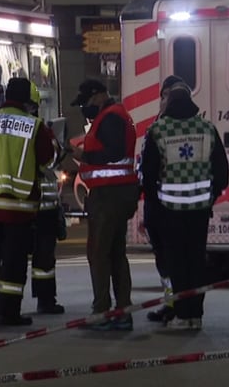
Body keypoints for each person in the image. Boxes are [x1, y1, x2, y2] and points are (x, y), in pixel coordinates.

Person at [0, 78, 56, 326]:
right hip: (20, 210)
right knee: (13, 265)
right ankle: (8, 313)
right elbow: (47, 162)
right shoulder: (34, 126)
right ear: (28, 101)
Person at [140, 83, 229, 330]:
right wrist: (211, 195)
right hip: (200, 209)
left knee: (177, 263)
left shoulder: (158, 130)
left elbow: (148, 173)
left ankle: (181, 315)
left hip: (170, 210)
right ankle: (196, 315)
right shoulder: (207, 128)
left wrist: (154, 200)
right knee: (197, 262)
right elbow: (222, 171)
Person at [71, 78, 138, 331]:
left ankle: (102, 311)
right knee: (115, 253)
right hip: (118, 194)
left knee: (99, 254)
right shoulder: (117, 114)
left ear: (98, 95)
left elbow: (112, 152)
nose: (84, 108)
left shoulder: (110, 117)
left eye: (86, 102)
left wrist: (81, 155)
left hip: (110, 196)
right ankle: (122, 311)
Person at [143, 75, 190, 323]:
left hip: (169, 205)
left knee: (175, 258)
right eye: (164, 96)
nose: (166, 101)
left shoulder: (164, 129)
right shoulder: (157, 125)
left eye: (170, 96)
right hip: (160, 204)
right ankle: (172, 301)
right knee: (164, 258)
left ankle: (178, 306)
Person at [31, 122, 68, 315]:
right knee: (45, 259)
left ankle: (8, 304)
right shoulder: (43, 133)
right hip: (45, 208)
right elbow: (54, 158)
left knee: (15, 256)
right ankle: (45, 300)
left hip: (23, 206)